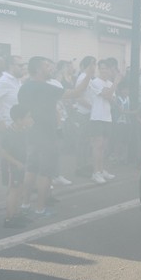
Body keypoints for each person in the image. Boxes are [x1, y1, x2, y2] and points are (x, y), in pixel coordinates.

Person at [18, 56, 90, 216]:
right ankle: (40, 208)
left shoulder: (24, 87)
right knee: (45, 172)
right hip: (47, 135)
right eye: (46, 66)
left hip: (31, 134)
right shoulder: (46, 88)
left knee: (31, 169)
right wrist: (89, 74)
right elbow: (77, 92)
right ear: (37, 69)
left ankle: (25, 204)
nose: (50, 68)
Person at [0, 103, 32, 228]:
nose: (31, 120)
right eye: (28, 117)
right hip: (12, 167)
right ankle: (9, 218)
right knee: (13, 191)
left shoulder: (23, 130)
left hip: (22, 165)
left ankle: (17, 214)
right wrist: (16, 163)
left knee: (20, 190)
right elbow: (3, 152)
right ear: (19, 120)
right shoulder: (9, 133)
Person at [88, 59, 119, 184]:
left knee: (104, 146)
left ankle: (101, 170)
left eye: (107, 68)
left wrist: (112, 88)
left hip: (107, 117)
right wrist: (115, 83)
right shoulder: (95, 82)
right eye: (102, 68)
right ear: (99, 69)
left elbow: (113, 100)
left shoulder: (110, 83)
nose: (104, 70)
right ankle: (96, 172)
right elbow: (107, 95)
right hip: (97, 117)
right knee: (98, 146)